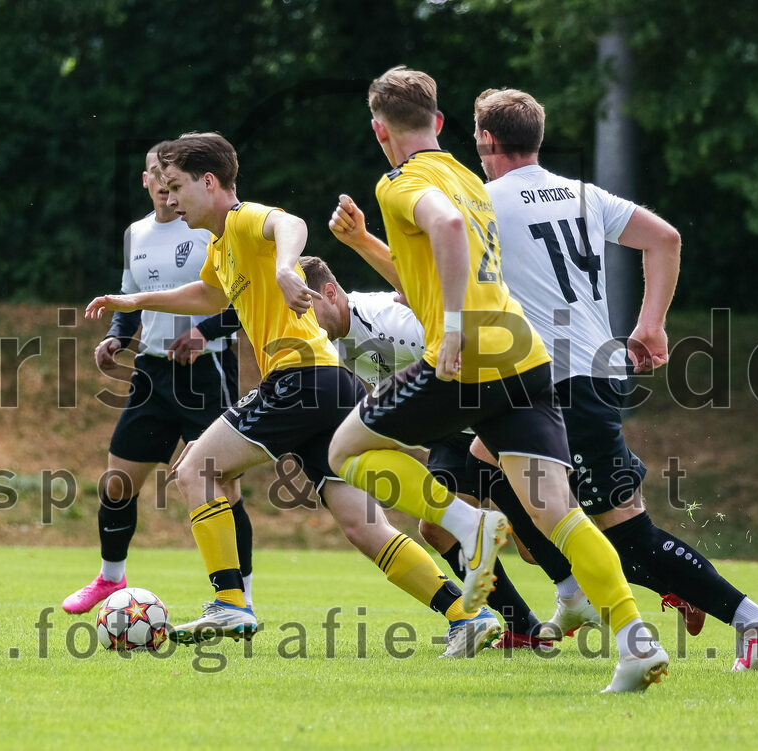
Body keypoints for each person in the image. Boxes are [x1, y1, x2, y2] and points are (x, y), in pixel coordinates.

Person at [85, 132, 502, 658]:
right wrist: (136, 300)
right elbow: (208, 295)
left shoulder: (242, 220)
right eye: (163, 188)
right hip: (329, 383)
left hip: (299, 377)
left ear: (209, 182)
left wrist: (286, 266)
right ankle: (467, 613)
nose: (169, 198)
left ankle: (230, 600)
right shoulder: (220, 246)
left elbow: (291, 223)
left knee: (195, 470)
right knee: (362, 525)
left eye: (176, 187)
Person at [326, 66, 668, 692]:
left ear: (380, 131)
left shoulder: (400, 182)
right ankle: (635, 641)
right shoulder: (468, 177)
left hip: (468, 361)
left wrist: (454, 328)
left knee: (345, 451)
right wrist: (371, 248)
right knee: (558, 512)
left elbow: (447, 229)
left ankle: (468, 525)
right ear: (438, 122)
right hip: (526, 356)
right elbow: (434, 270)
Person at [469, 87, 758, 671]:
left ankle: (752, 620)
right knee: (482, 465)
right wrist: (651, 325)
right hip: (585, 372)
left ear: (487, 139)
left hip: (561, 382)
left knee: (626, 532)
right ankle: (575, 588)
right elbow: (665, 238)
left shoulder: (483, 202)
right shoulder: (583, 194)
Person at [301, 254, 550, 650]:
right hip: (454, 432)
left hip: (492, 418)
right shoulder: (333, 344)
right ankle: (524, 628)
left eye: (304, 308)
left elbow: (470, 345)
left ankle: (630, 574)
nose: (300, 321)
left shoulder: (387, 321)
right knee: (436, 527)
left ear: (330, 293)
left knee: (536, 549)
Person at [61, 143, 253, 616]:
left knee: (223, 487)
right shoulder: (136, 234)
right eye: (157, 176)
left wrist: (204, 333)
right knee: (118, 483)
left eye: (173, 178)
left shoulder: (210, 228)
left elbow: (243, 299)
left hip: (206, 373)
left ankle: (241, 596)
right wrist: (116, 337)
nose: (166, 186)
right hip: (151, 374)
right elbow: (132, 297)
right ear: (146, 180)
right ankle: (110, 578)